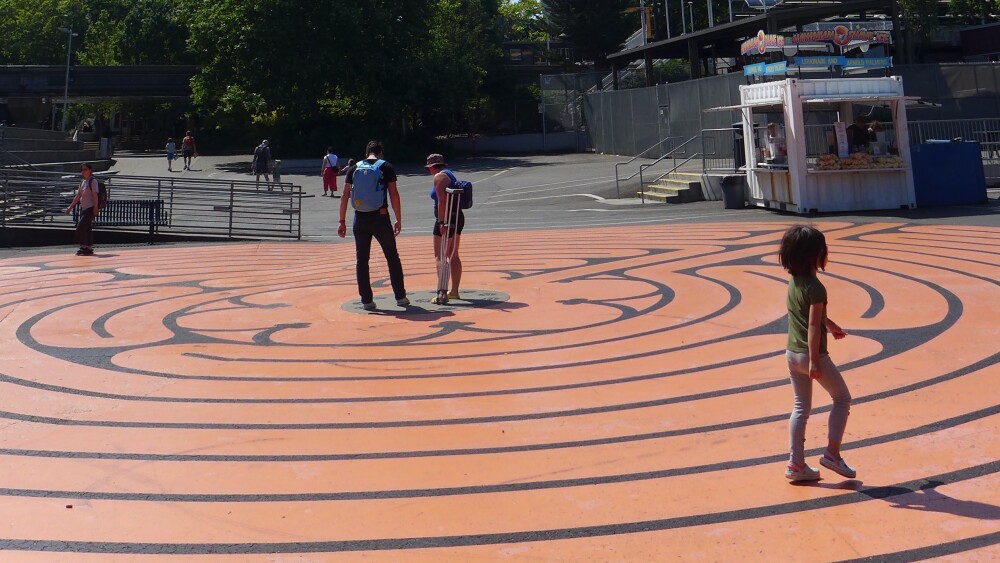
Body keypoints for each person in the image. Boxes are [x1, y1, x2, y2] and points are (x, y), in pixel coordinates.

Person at [778, 225, 854, 482]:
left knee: (800, 408)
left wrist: (830, 325)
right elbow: (812, 324)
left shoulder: (794, 281)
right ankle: (832, 453)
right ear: (816, 255)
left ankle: (796, 465)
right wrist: (814, 360)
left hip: (791, 354)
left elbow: (809, 315)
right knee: (842, 398)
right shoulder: (817, 287)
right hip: (812, 355)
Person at [338, 140, 408, 311]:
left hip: (359, 219)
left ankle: (367, 300)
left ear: (366, 152)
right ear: (381, 153)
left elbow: (344, 195)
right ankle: (400, 296)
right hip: (380, 217)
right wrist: (398, 218)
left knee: (362, 260)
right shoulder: (386, 167)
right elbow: (394, 194)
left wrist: (342, 221)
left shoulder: (354, 168)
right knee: (392, 257)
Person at [425, 153, 465, 303]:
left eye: (428, 167)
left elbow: (442, 201)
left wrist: (442, 222)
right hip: (457, 216)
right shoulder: (450, 175)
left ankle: (441, 292)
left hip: (446, 217)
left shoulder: (439, 177)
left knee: (440, 256)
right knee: (453, 254)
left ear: (432, 166)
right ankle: (454, 291)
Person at [65, 163, 100, 256]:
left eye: (85, 169)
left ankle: (83, 246)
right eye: (82, 170)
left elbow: (95, 195)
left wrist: (96, 208)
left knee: (81, 227)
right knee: (87, 228)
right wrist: (70, 207)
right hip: (84, 208)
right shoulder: (82, 182)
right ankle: (88, 247)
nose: (83, 172)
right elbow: (78, 196)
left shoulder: (93, 181)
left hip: (90, 208)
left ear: (90, 170)